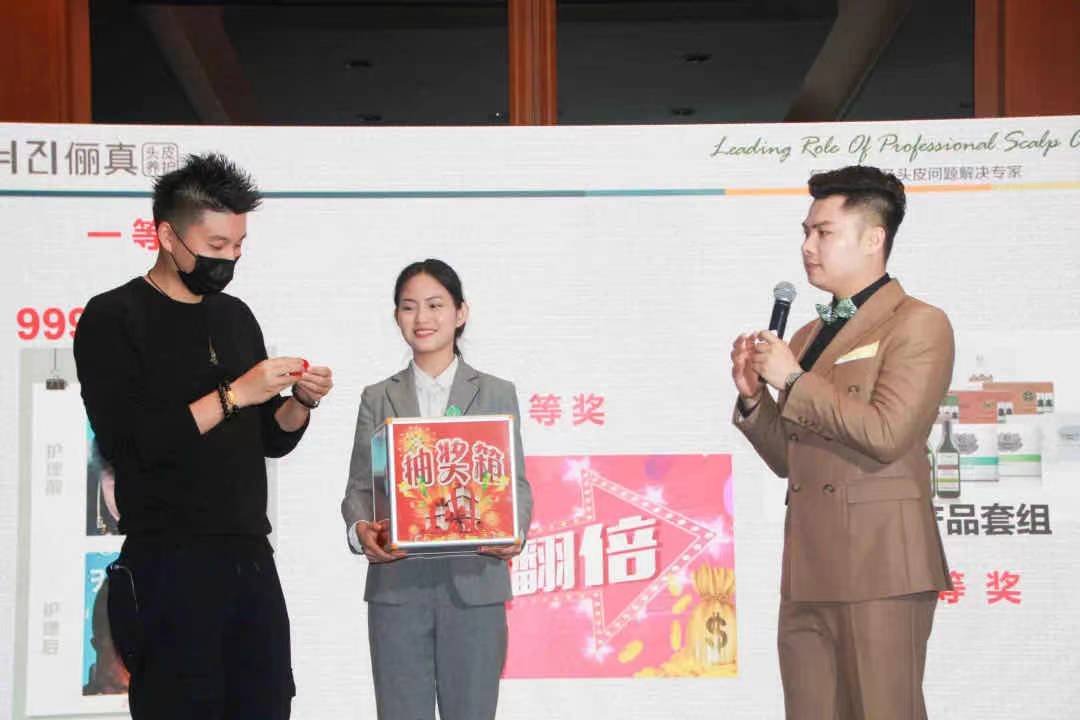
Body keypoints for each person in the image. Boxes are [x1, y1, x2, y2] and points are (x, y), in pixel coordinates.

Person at [73, 153, 333, 720]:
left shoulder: (235, 317)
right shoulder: (113, 317)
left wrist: (301, 402)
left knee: (266, 703)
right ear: (168, 236)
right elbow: (132, 444)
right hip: (168, 563)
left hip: (249, 559)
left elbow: (271, 439)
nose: (229, 258)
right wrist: (236, 393)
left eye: (238, 245)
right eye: (216, 245)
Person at [731, 165, 953, 720]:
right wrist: (755, 399)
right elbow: (792, 460)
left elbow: (887, 433)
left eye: (823, 232)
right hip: (808, 568)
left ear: (874, 239)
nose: (808, 246)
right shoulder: (808, 334)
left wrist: (793, 380)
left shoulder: (917, 323)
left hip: (881, 566)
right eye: (806, 232)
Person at [341, 258, 533, 720]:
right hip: (397, 587)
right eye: (409, 307)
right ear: (396, 317)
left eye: (435, 305)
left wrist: (516, 530)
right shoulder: (377, 397)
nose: (422, 318)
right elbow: (360, 488)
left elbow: (515, 483)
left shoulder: (496, 392)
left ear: (460, 312)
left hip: (476, 584)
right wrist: (360, 531)